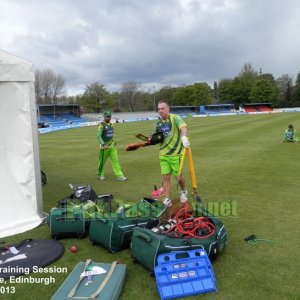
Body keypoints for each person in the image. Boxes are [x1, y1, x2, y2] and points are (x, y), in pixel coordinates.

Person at [153, 101, 190, 207]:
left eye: (162, 108)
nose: (160, 111)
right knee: (165, 178)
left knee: (178, 177)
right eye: (159, 109)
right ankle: (167, 198)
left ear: (168, 109)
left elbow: (183, 127)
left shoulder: (175, 118)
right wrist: (152, 139)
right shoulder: (159, 123)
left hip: (176, 154)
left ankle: (184, 191)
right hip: (163, 155)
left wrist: (183, 137)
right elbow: (158, 137)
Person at [97, 111, 127, 181]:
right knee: (102, 162)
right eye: (107, 116)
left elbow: (110, 135)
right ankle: (100, 174)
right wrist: (103, 144)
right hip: (105, 147)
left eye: (109, 116)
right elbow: (98, 136)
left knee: (115, 161)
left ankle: (120, 175)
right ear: (104, 117)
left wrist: (113, 141)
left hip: (112, 146)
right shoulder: (101, 125)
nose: (109, 117)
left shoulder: (111, 124)